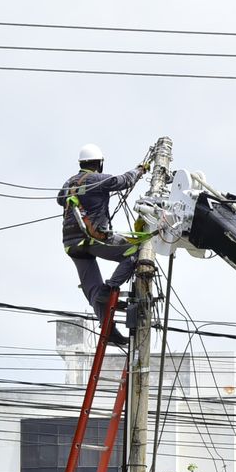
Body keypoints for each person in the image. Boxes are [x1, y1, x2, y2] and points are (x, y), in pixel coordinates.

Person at [59, 143, 148, 343]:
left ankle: (109, 331)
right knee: (135, 251)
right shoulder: (98, 179)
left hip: (70, 243)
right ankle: (110, 290)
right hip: (92, 238)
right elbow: (124, 180)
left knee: (92, 289)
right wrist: (140, 170)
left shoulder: (68, 184)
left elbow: (59, 200)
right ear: (99, 163)